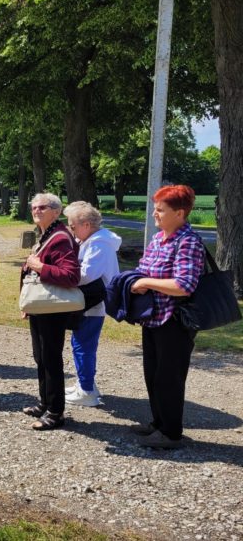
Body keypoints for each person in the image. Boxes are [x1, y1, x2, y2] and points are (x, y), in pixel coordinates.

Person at [129, 185, 205, 449]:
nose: (155, 214)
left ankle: (171, 434)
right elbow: (142, 268)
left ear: (180, 213)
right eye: (155, 209)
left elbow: (184, 285)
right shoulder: (157, 239)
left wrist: (146, 282)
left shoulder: (188, 241)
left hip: (174, 321)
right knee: (153, 374)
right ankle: (159, 423)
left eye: (161, 210)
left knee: (169, 378)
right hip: (153, 318)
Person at [21, 193, 80, 430]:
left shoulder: (60, 238)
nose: (36, 210)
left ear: (56, 212)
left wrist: (40, 266)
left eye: (42, 207)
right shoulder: (46, 234)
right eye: (34, 207)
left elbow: (71, 275)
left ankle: (56, 412)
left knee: (51, 359)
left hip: (53, 309)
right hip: (41, 307)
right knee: (41, 357)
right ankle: (45, 403)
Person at [63, 201, 121, 407]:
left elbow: (87, 274)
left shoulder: (98, 244)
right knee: (81, 343)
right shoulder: (94, 241)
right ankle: (85, 384)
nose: (71, 230)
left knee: (83, 345)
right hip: (90, 301)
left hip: (93, 302)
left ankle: (87, 391)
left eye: (73, 225)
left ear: (86, 225)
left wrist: (62, 275)